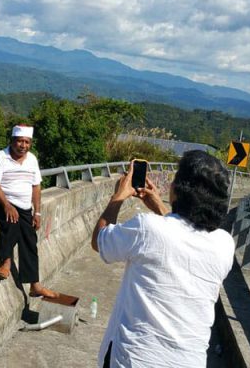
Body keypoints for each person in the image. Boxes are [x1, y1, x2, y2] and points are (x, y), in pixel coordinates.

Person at [91, 151, 235, 367]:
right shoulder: (224, 245)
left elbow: (100, 240)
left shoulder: (147, 228)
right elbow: (182, 237)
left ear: (177, 189)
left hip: (135, 359)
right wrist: (160, 206)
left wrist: (118, 197)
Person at [0, 124, 58, 299]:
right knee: (11, 222)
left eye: (26, 142)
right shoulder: (0, 157)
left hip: (24, 206)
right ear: (12, 141)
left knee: (30, 239)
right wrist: (7, 205)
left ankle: (35, 285)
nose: (23, 145)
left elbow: (36, 186)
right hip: (0, 201)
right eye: (20, 141)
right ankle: (6, 262)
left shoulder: (32, 159)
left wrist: (37, 212)